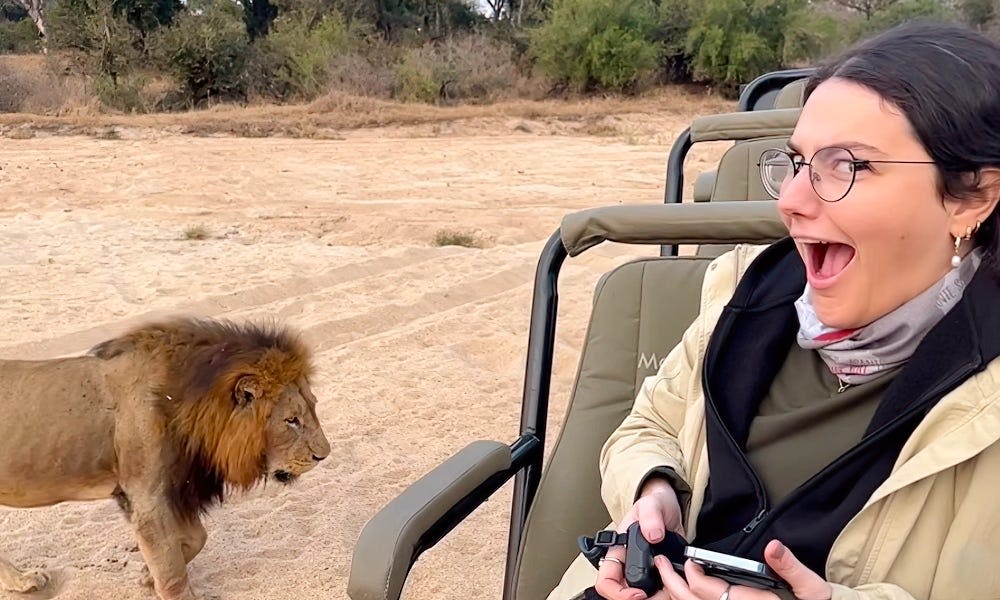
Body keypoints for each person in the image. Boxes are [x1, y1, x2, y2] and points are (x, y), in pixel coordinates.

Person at [546, 20, 1000, 600]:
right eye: (797, 162)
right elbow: (653, 422)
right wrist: (656, 491)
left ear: (972, 198)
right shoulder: (749, 291)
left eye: (847, 166)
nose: (790, 201)